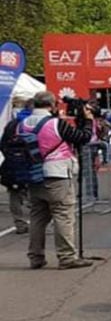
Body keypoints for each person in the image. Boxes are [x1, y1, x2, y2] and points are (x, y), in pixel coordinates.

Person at [22, 91, 95, 269]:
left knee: (38, 217)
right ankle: (67, 257)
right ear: (52, 105)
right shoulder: (56, 124)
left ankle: (35, 256)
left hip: (33, 173)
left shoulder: (22, 124)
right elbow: (83, 138)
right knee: (63, 215)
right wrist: (87, 120)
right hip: (57, 173)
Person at [1, 99, 34, 233]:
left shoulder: (12, 124)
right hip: (31, 163)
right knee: (35, 192)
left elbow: (2, 144)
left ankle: (20, 224)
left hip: (12, 163)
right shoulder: (34, 124)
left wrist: (10, 155)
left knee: (14, 194)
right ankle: (38, 222)